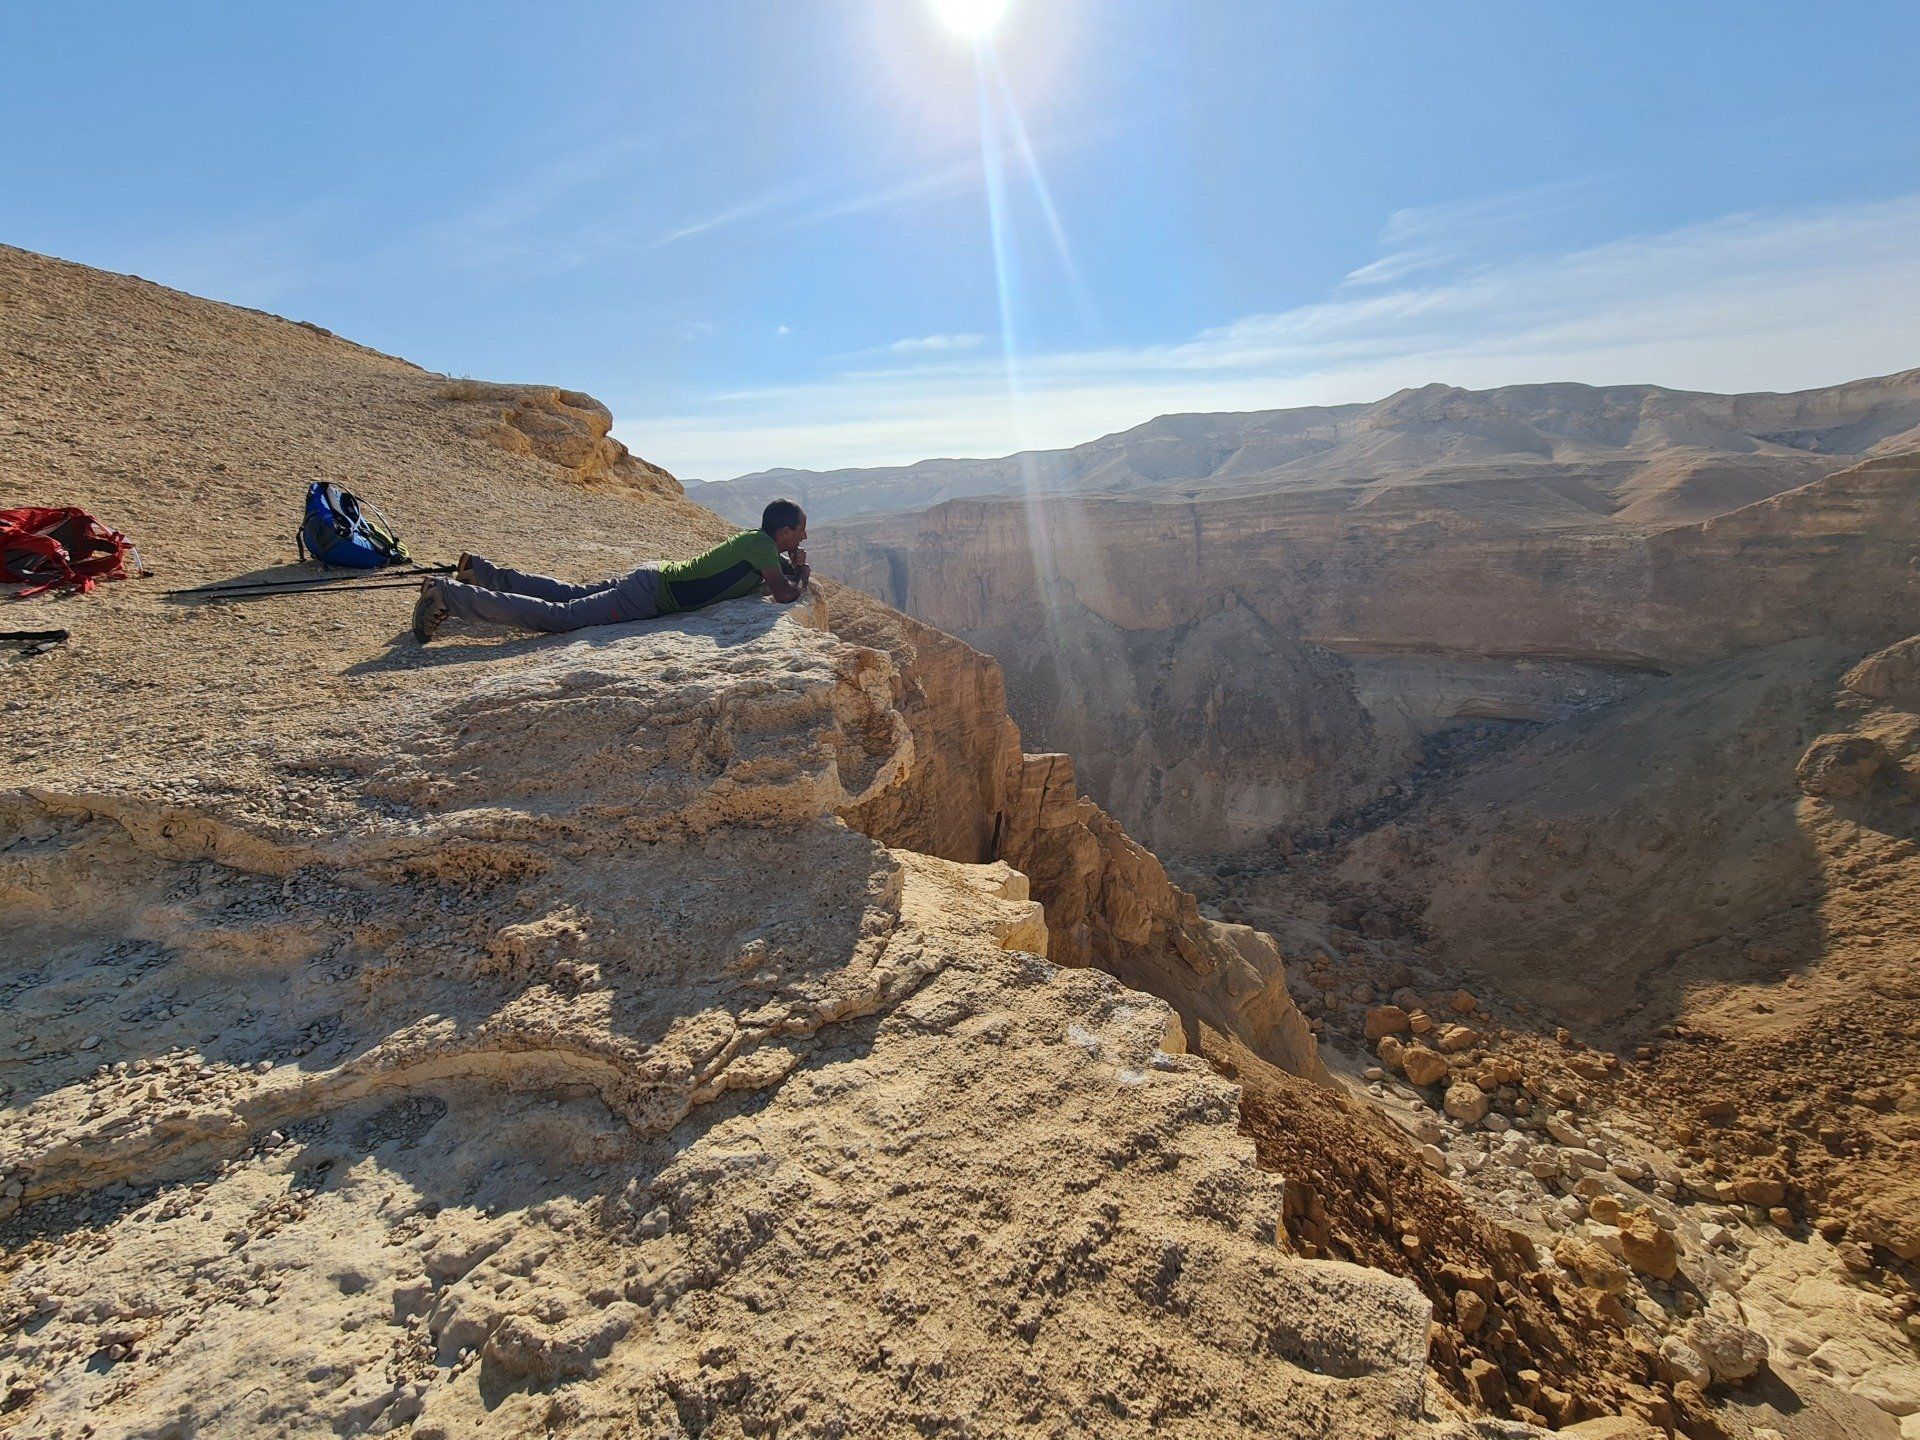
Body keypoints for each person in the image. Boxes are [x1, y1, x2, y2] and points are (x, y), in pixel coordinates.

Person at [412, 499, 811, 643]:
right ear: (784, 531)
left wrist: (792, 568)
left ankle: (479, 572)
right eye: (801, 530)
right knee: (562, 618)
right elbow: (784, 596)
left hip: (652, 579)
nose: (805, 536)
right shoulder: (761, 546)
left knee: (568, 594)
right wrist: (801, 573)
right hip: (651, 595)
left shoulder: (758, 543)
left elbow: (778, 581)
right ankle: (448, 595)